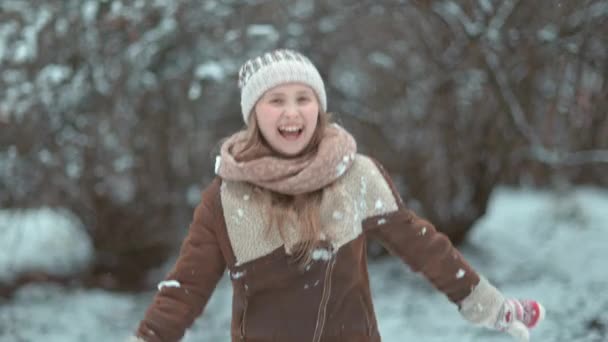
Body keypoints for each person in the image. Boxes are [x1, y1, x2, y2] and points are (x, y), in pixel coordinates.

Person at [128, 49, 545, 342]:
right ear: (254, 114)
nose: (292, 112)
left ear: (318, 108)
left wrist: (488, 304)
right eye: (276, 100)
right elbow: (185, 287)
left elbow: (424, 247)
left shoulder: (355, 176)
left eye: (303, 98)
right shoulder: (226, 199)